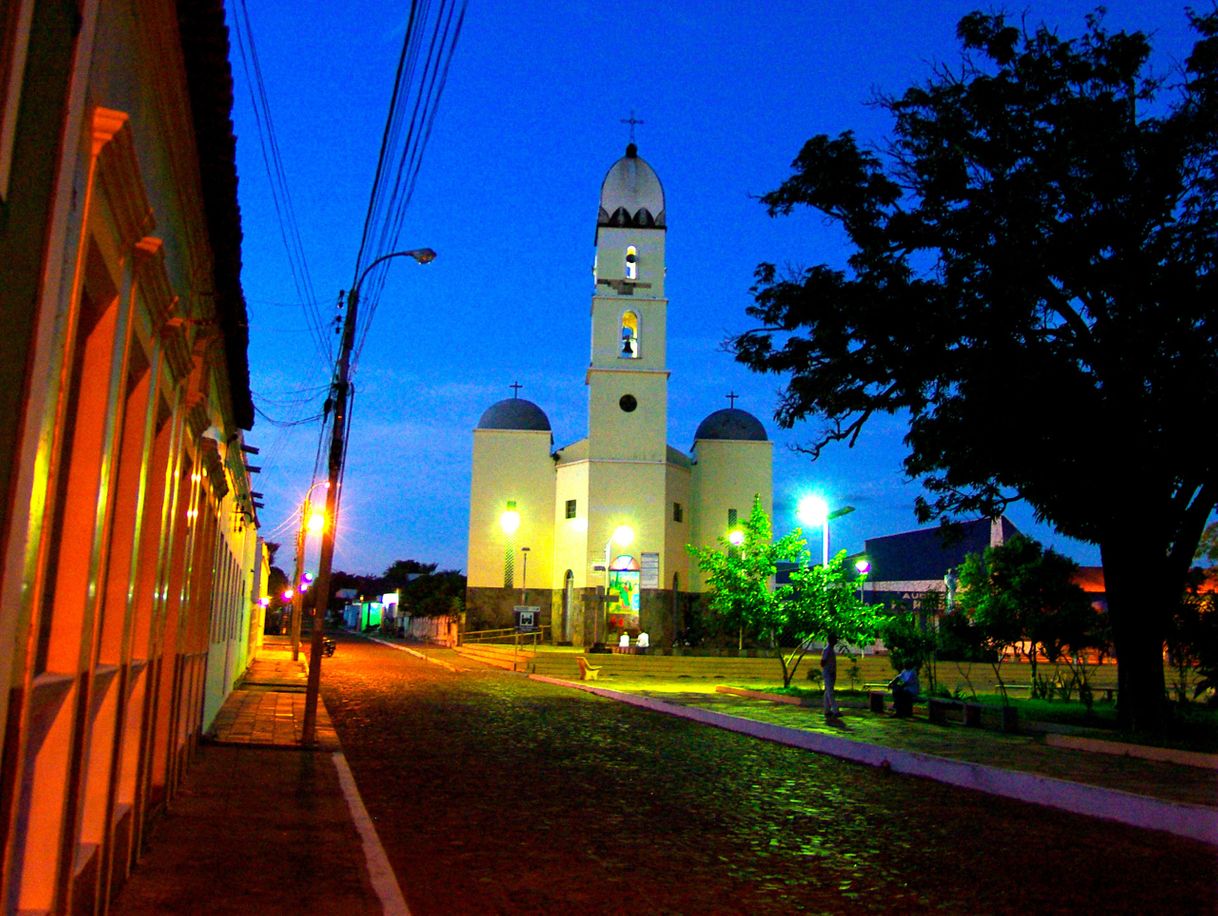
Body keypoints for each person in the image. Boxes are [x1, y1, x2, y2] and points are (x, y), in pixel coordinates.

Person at [820, 635, 840, 719]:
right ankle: (835, 710)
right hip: (828, 673)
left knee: (827, 691)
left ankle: (827, 709)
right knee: (830, 692)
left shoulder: (831, 650)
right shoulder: (827, 650)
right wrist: (827, 669)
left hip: (831, 673)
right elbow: (822, 662)